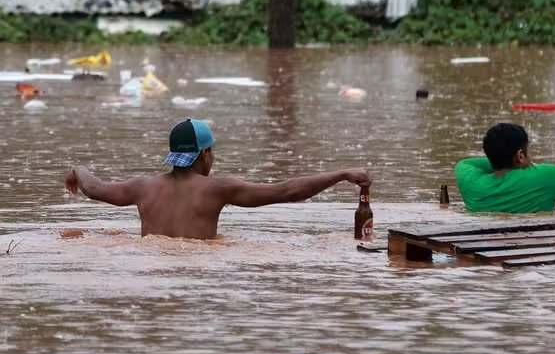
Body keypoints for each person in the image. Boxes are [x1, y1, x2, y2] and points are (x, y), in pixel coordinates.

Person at [64, 118, 372, 240]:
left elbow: (94, 189)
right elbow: (287, 191)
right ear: (203, 155)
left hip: (151, 268)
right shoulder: (218, 189)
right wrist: (341, 173)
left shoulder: (142, 187)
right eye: (211, 152)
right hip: (200, 271)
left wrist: (78, 169)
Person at [455, 123, 555, 213]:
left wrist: (498, 160)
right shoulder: (545, 176)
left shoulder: (469, 180)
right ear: (520, 156)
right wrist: (547, 178)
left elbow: (466, 163)